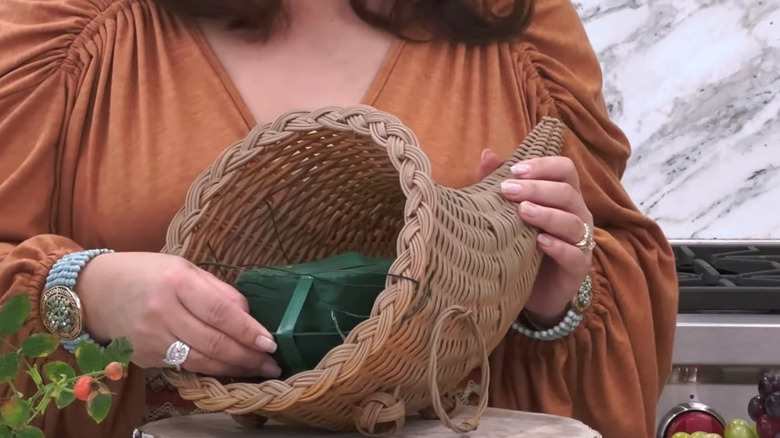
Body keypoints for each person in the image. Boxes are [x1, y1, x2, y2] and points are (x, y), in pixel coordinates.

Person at [0, 0, 678, 437]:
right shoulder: (68, 27)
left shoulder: (510, 25)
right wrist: (85, 292)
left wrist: (550, 296)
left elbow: (611, 271)